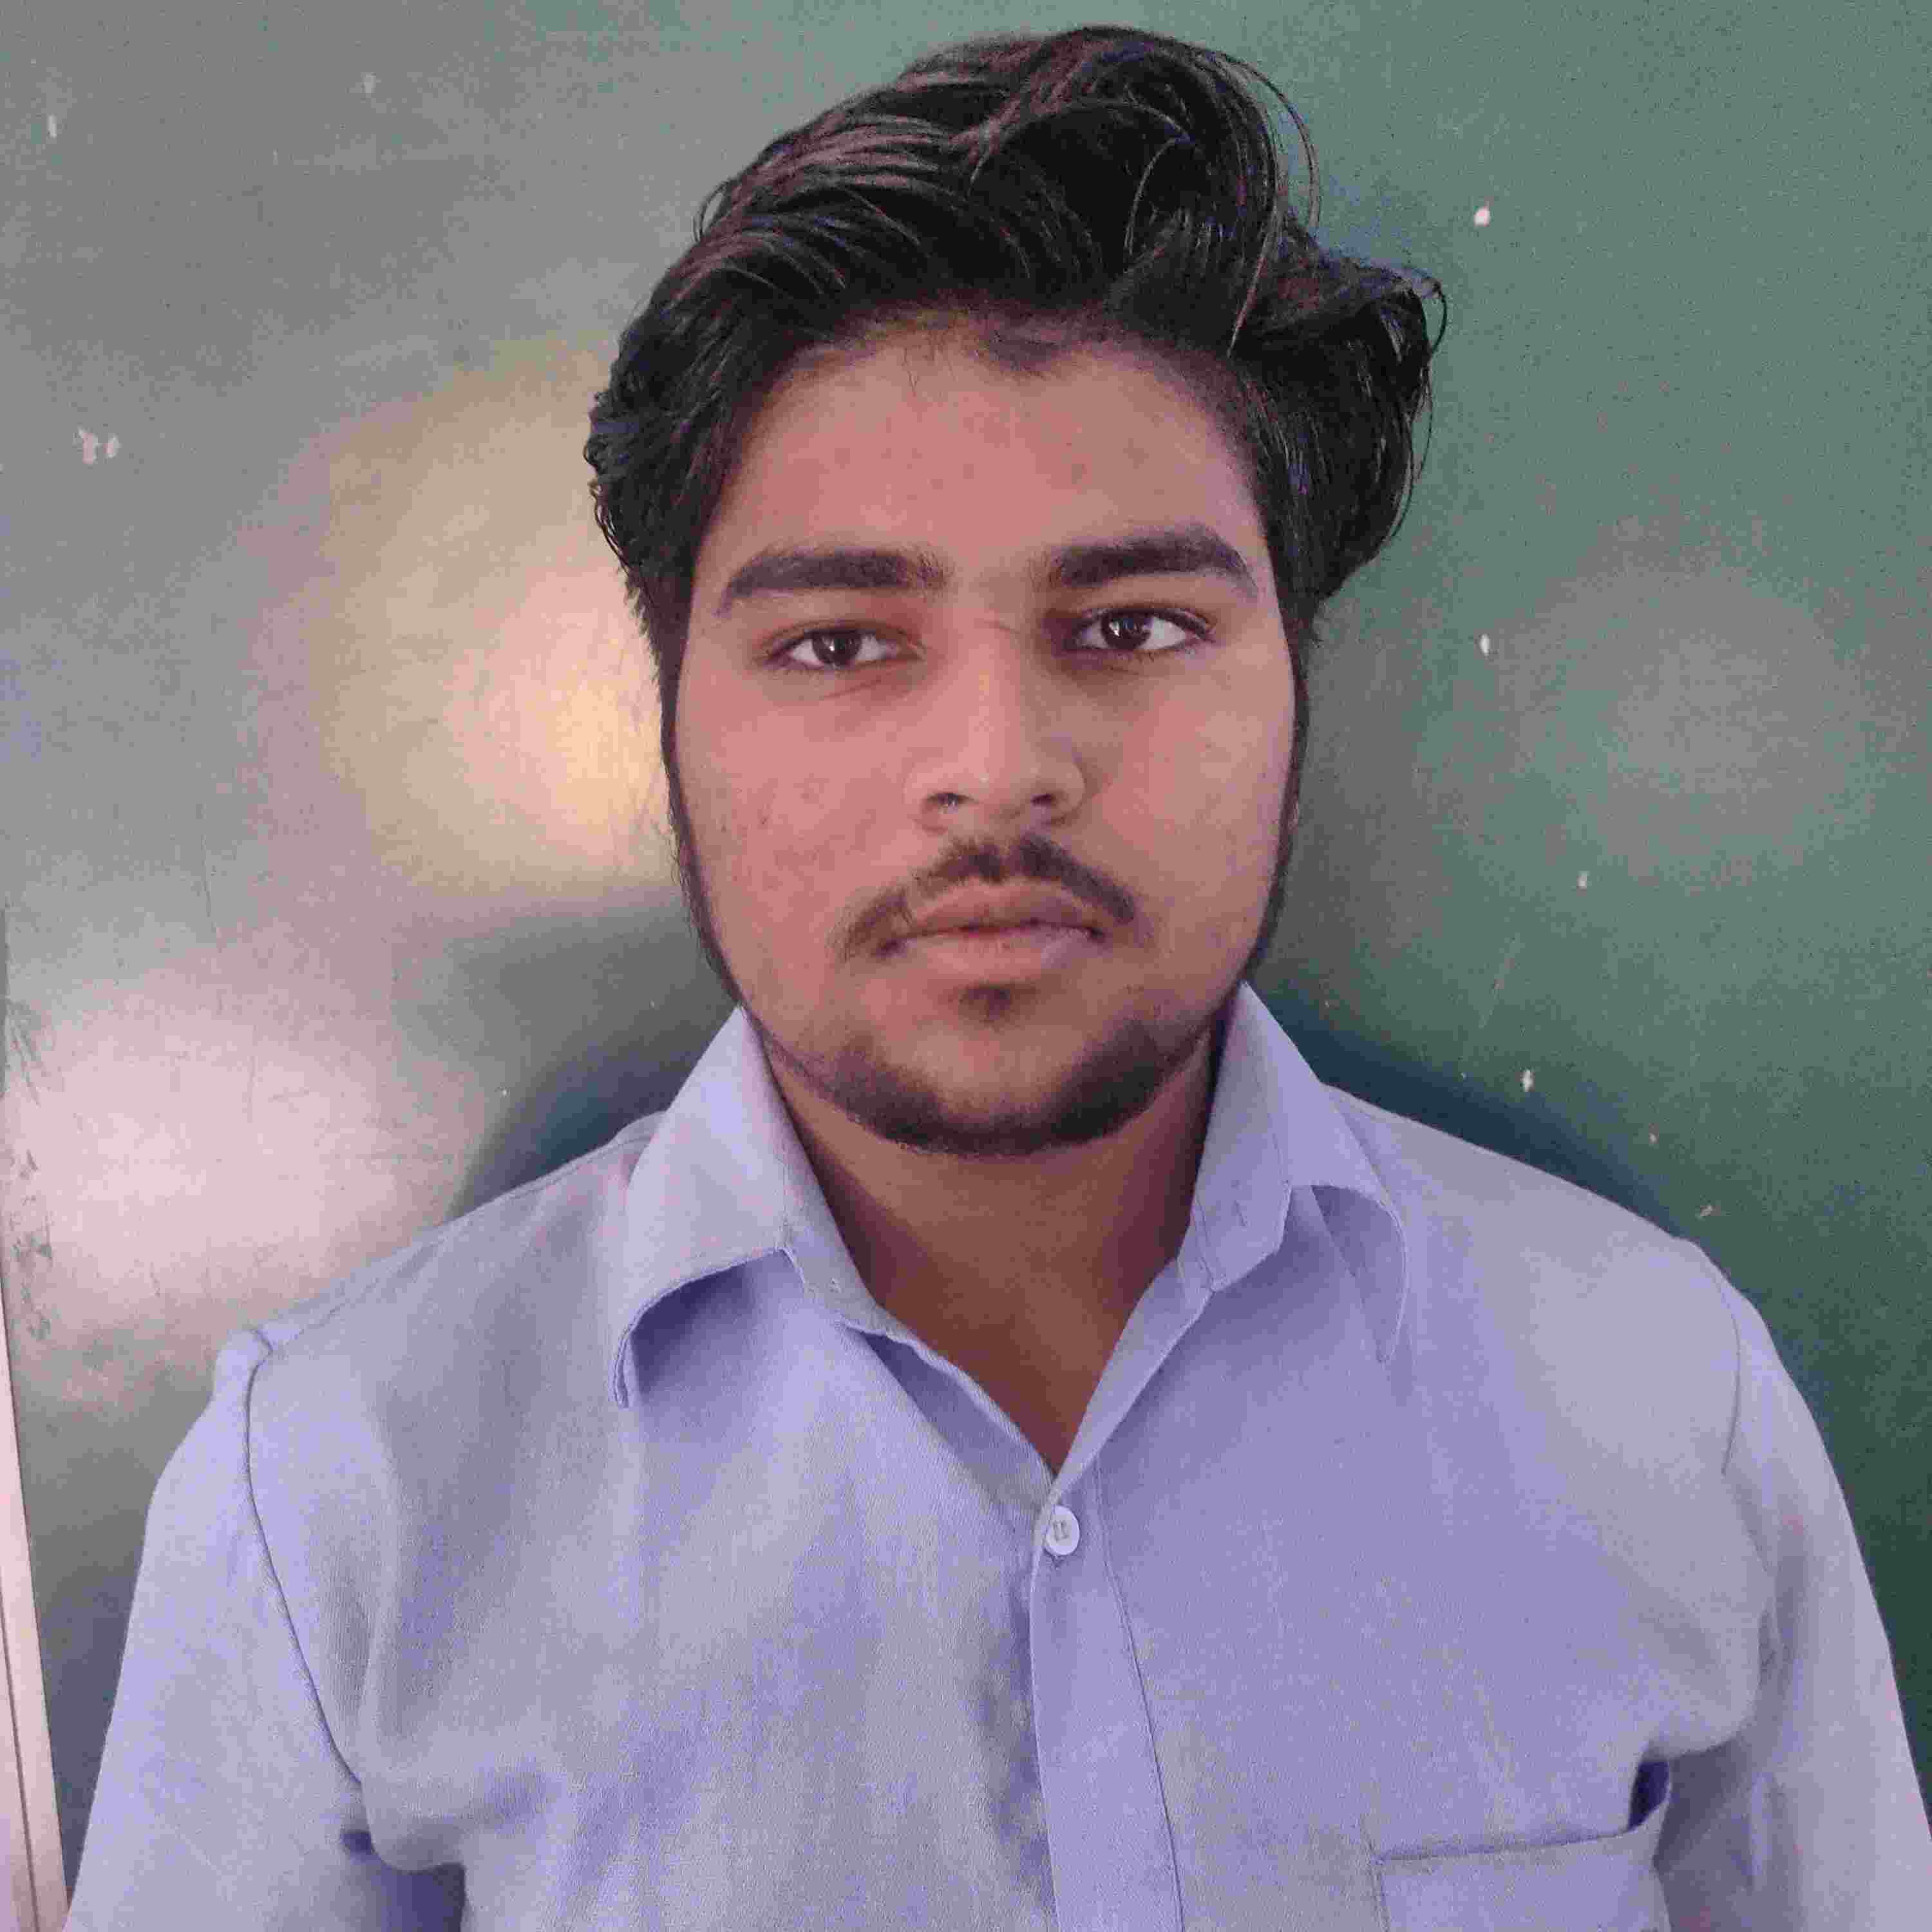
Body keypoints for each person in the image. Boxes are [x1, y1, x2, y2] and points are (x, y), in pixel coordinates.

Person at [67, 26, 1928, 1928]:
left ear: (1298, 681)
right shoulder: (341, 1487)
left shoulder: (1653, 1394)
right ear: (669, 712)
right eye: (840, 643)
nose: (998, 765)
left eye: (1132, 626)